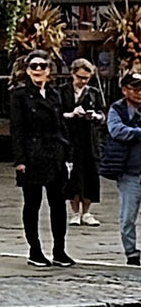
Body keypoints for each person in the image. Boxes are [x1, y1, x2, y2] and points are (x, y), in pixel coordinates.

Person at [10, 49, 74, 267]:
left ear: (49, 70)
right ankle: (34, 250)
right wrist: (20, 160)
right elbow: (17, 129)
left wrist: (68, 154)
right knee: (32, 204)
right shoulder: (19, 95)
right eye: (34, 66)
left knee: (58, 204)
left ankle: (59, 250)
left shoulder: (55, 94)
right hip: (32, 155)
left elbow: (61, 126)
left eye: (42, 66)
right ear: (27, 70)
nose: (38, 70)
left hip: (55, 153)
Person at [62, 57, 105, 226]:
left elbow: (103, 115)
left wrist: (95, 116)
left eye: (86, 78)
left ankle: (87, 211)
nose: (83, 81)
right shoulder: (62, 91)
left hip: (89, 138)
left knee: (90, 175)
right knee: (73, 176)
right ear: (73, 74)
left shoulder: (93, 92)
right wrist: (71, 114)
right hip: (70, 138)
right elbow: (56, 113)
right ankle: (74, 212)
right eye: (80, 77)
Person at [106, 71, 141, 264]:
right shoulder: (117, 109)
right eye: (134, 88)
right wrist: (138, 132)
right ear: (124, 90)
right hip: (129, 171)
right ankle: (131, 251)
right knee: (128, 216)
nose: (139, 93)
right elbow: (116, 131)